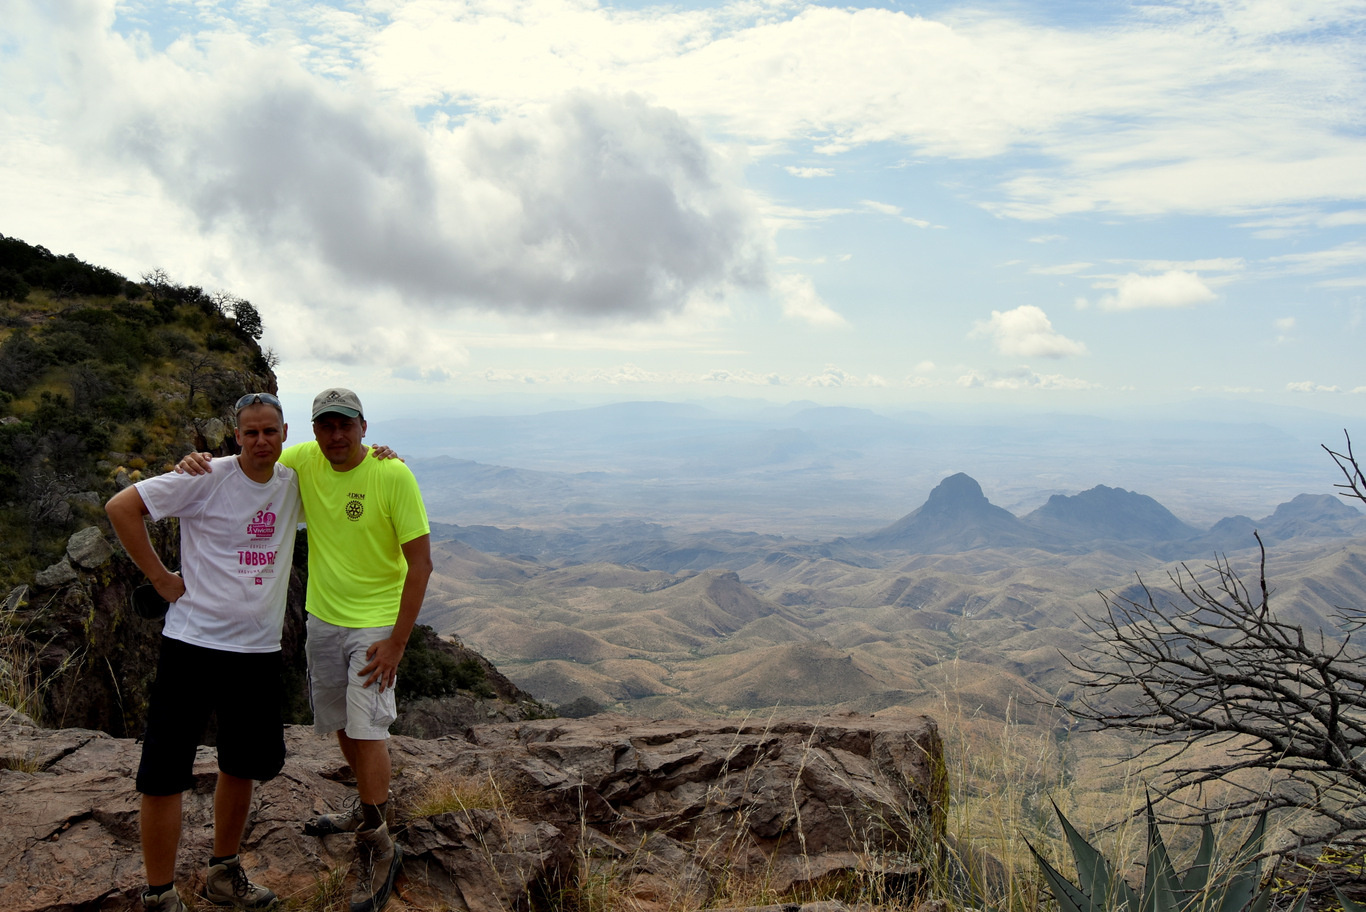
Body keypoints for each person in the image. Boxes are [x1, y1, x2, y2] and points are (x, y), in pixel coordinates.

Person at [180, 388, 432, 912]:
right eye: (327, 426)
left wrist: (396, 644)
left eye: (346, 425)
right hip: (322, 618)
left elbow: (421, 565)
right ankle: (366, 810)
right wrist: (195, 461)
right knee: (340, 722)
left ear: (364, 426)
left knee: (368, 729)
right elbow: (253, 455)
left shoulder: (393, 475)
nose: (336, 435)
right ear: (312, 431)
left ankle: (382, 840)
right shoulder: (305, 461)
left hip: (375, 625)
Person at [107, 392, 299, 912]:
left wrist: (381, 455)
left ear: (285, 435)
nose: (261, 440)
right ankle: (159, 895)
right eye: (251, 432)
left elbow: (347, 472)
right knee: (165, 771)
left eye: (270, 431)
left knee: (242, 765)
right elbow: (122, 507)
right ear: (236, 436)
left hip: (257, 651)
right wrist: (160, 578)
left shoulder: (294, 484)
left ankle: (223, 874)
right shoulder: (205, 476)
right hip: (192, 644)